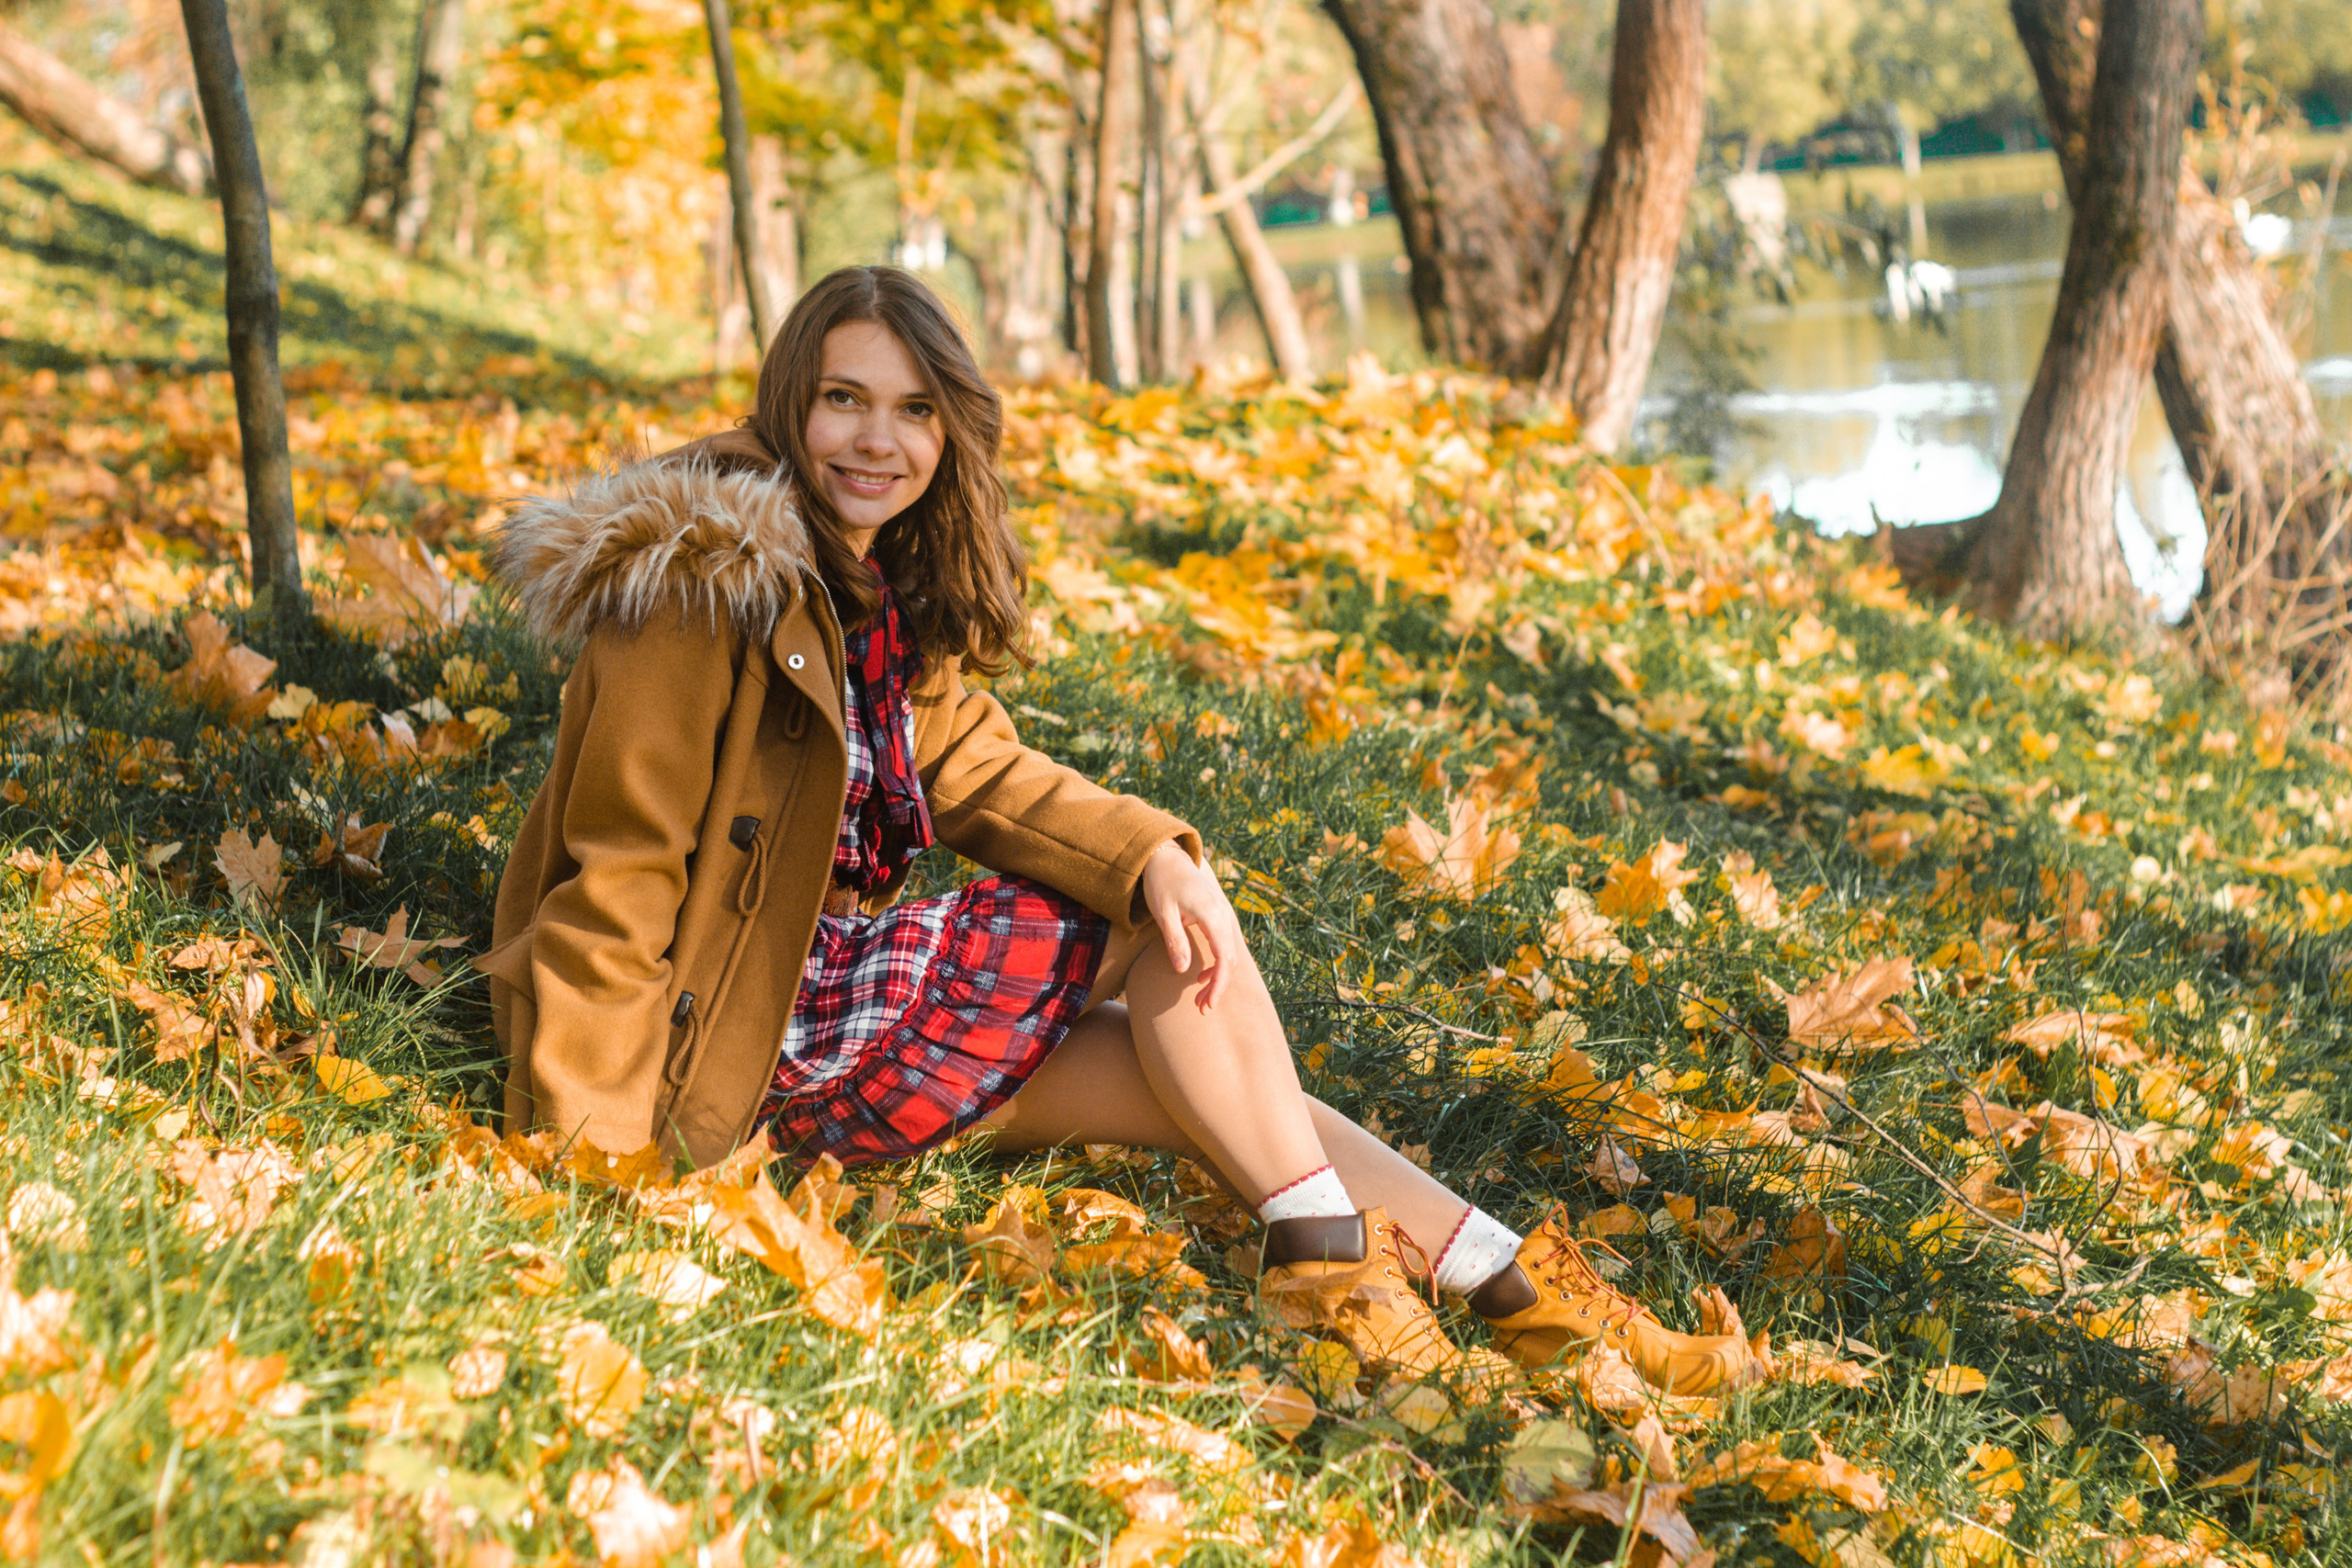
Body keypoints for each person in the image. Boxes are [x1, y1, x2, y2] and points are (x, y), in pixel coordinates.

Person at [482, 265, 1758, 1396]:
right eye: (844, 400)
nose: (880, 440)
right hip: (723, 1053)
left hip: (807, 1020)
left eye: (917, 410)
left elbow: (982, 768)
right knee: (1139, 944)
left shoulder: (863, 587)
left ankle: (1509, 1286)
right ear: (786, 404)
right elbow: (620, 873)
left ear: (953, 430)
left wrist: (1156, 853)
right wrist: (597, 1164)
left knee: (1210, 1059)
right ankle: (1336, 1266)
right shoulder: (700, 582)